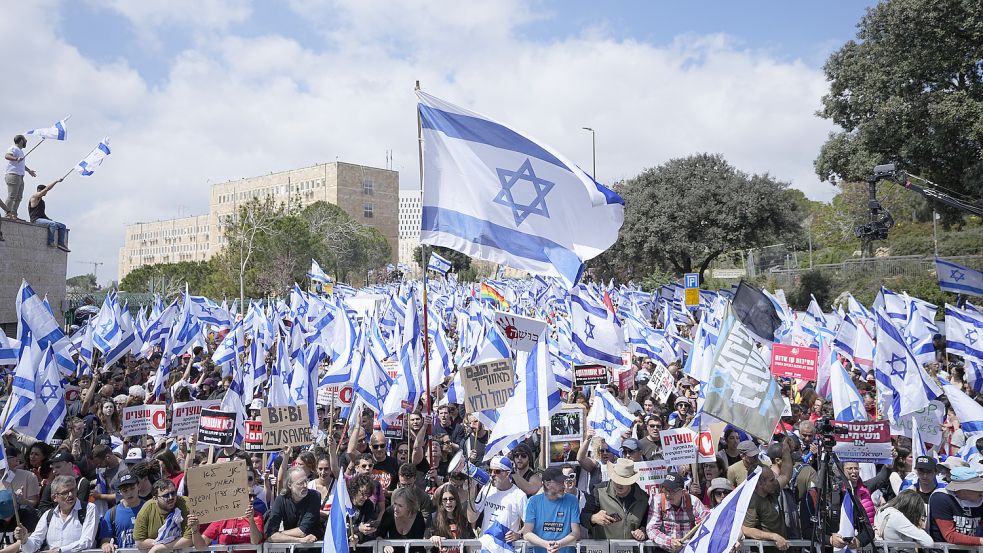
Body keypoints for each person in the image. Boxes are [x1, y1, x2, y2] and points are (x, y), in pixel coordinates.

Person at [15, 475, 97, 553]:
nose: (70, 495)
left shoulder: (89, 509)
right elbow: (33, 545)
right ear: (54, 497)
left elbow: (87, 541)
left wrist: (60, 550)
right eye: (65, 493)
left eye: (72, 490)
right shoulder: (48, 515)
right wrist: (24, 540)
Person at [581, 458, 648, 541]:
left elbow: (648, 524)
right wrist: (593, 518)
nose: (619, 484)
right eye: (617, 479)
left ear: (631, 481)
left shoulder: (643, 498)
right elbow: (583, 518)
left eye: (624, 481)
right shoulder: (598, 491)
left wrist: (642, 531)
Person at [520, 467, 581, 553]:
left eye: (563, 481)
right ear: (547, 484)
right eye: (559, 482)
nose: (564, 485)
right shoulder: (534, 502)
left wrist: (558, 544)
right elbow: (527, 533)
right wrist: (546, 544)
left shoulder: (572, 500)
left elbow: (576, 532)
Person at [468, 456, 526, 545]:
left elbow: (529, 524)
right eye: (490, 470)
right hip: (486, 547)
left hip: (505, 548)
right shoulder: (487, 488)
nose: (492, 474)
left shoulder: (519, 495)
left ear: (507, 473)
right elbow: (472, 519)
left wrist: (519, 534)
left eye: (497, 471)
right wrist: (471, 490)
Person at [133, 479, 203, 552]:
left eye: (173, 493)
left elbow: (189, 540)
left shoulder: (186, 504)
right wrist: (163, 544)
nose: (171, 498)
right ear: (155, 498)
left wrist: (159, 547)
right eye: (166, 495)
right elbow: (139, 542)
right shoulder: (146, 509)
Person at [646, 472, 710, 552]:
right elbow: (651, 529)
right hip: (665, 550)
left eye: (672, 491)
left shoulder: (694, 502)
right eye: (665, 490)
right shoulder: (658, 501)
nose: (668, 495)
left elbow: (708, 522)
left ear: (683, 492)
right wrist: (670, 542)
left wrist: (701, 523)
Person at [264, 466, 322, 543]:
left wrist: (278, 534)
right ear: (290, 485)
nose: (305, 486)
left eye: (306, 481)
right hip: (291, 546)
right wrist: (299, 540)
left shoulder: (315, 496)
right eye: (300, 483)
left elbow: (302, 531)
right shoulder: (281, 499)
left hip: (313, 546)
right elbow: (270, 534)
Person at [928, 466, 983, 545]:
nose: (981, 490)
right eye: (978, 487)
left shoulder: (979, 499)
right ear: (963, 490)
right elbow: (950, 535)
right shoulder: (941, 498)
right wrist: (981, 541)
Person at [742, 468, 790, 551]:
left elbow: (786, 475)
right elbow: (747, 529)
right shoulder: (752, 501)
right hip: (763, 549)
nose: (775, 482)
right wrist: (774, 536)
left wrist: (786, 454)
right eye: (771, 480)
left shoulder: (772, 491)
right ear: (760, 484)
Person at [98, 473, 144, 553]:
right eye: (125, 490)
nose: (129, 493)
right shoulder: (111, 513)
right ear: (119, 492)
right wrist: (106, 545)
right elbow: (105, 540)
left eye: (132, 488)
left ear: (138, 486)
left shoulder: (149, 508)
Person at [377, 487, 427, 553]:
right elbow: (379, 535)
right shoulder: (389, 512)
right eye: (395, 504)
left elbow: (419, 546)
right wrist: (385, 545)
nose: (395, 509)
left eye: (400, 506)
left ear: (409, 507)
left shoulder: (418, 517)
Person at [429, 483, 474, 550]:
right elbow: (425, 544)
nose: (448, 502)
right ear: (441, 501)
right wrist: (433, 538)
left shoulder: (464, 519)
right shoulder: (433, 518)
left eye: (451, 499)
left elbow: (469, 545)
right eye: (445, 499)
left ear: (456, 500)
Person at [27, 178, 68, 250]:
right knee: (53, 224)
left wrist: (48, 219)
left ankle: (61, 244)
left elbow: (42, 214)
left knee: (62, 226)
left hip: (42, 219)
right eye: (44, 191)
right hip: (35, 220)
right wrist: (56, 181)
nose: (46, 192)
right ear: (40, 191)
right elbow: (46, 189)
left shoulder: (42, 201)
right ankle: (50, 242)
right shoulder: (35, 197)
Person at [5, 135, 35, 220]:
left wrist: (29, 170)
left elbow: (21, 163)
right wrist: (16, 158)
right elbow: (7, 156)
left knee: (18, 197)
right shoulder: (13, 148)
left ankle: (13, 215)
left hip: (20, 176)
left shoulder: (20, 151)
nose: (26, 142)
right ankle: (7, 214)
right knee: (12, 196)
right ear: (21, 140)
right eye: (25, 140)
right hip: (13, 175)